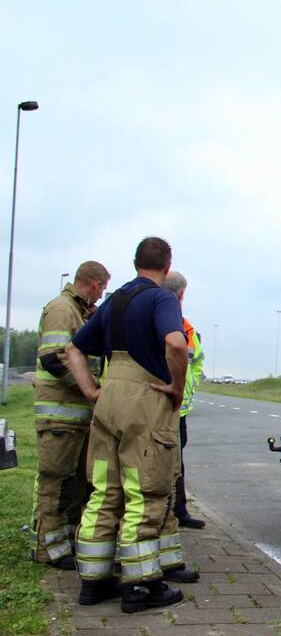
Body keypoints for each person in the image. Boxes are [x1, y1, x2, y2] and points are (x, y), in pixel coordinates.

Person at [66, 237, 200, 614]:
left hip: (109, 402)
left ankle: (93, 582)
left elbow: (74, 348)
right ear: (166, 263)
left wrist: (91, 389)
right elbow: (175, 343)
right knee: (145, 492)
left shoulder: (113, 301)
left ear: (135, 261)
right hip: (144, 403)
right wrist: (175, 386)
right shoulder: (160, 299)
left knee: (104, 490)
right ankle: (140, 586)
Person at [30, 261, 110, 569]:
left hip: (72, 416)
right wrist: (90, 388)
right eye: (101, 289)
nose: (101, 296)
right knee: (55, 481)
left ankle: (62, 541)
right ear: (93, 284)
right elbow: (53, 359)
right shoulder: (62, 309)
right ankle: (46, 549)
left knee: (73, 482)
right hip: (59, 415)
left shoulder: (79, 312)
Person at [161, 271, 205, 529]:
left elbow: (197, 362)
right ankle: (168, 512)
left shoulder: (187, 328)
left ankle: (178, 510)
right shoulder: (166, 322)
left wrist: (189, 387)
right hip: (160, 407)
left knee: (177, 462)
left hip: (180, 410)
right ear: (181, 295)